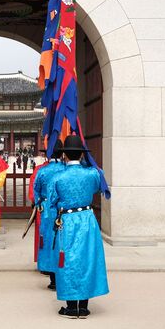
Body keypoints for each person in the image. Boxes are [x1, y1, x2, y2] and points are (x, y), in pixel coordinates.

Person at [47, 135, 109, 319]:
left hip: (67, 220)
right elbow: (100, 180)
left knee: (68, 260)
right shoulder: (92, 174)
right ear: (82, 155)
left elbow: (51, 202)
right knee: (87, 258)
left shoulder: (58, 177)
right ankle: (84, 306)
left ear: (64, 155)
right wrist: (90, 163)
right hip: (87, 219)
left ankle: (71, 306)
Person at [29, 140, 65, 290]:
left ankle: (52, 277)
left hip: (46, 210)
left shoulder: (41, 171)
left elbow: (35, 190)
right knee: (62, 241)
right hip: (63, 209)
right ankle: (62, 274)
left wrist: (38, 202)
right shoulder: (65, 169)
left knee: (48, 240)